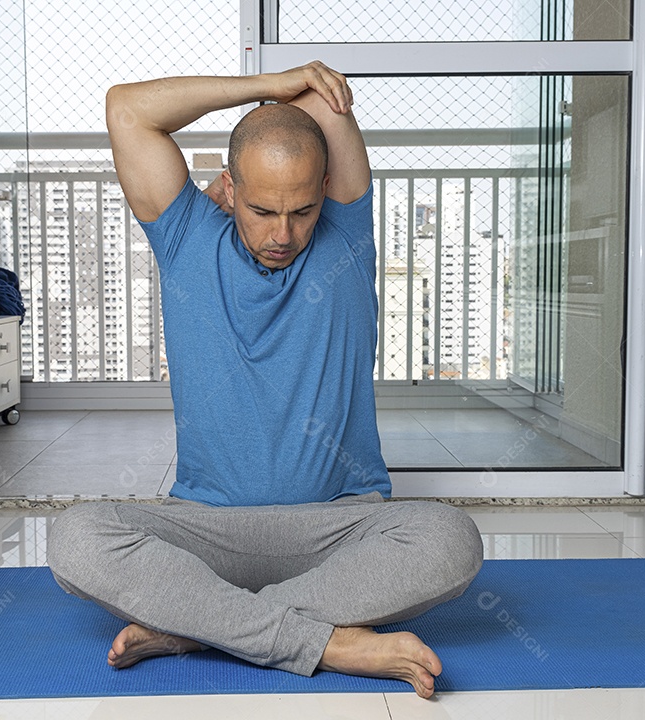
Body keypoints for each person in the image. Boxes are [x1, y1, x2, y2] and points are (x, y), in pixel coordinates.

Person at [48, 61, 483, 699]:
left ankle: (198, 627)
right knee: (75, 539)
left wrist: (198, 618)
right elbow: (127, 110)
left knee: (451, 540)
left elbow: (324, 100)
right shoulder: (185, 236)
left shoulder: (348, 238)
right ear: (227, 185)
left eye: (303, 211)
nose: (283, 234)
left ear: (327, 191)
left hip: (339, 530)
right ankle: (327, 641)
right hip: (209, 531)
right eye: (261, 209)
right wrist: (263, 86)